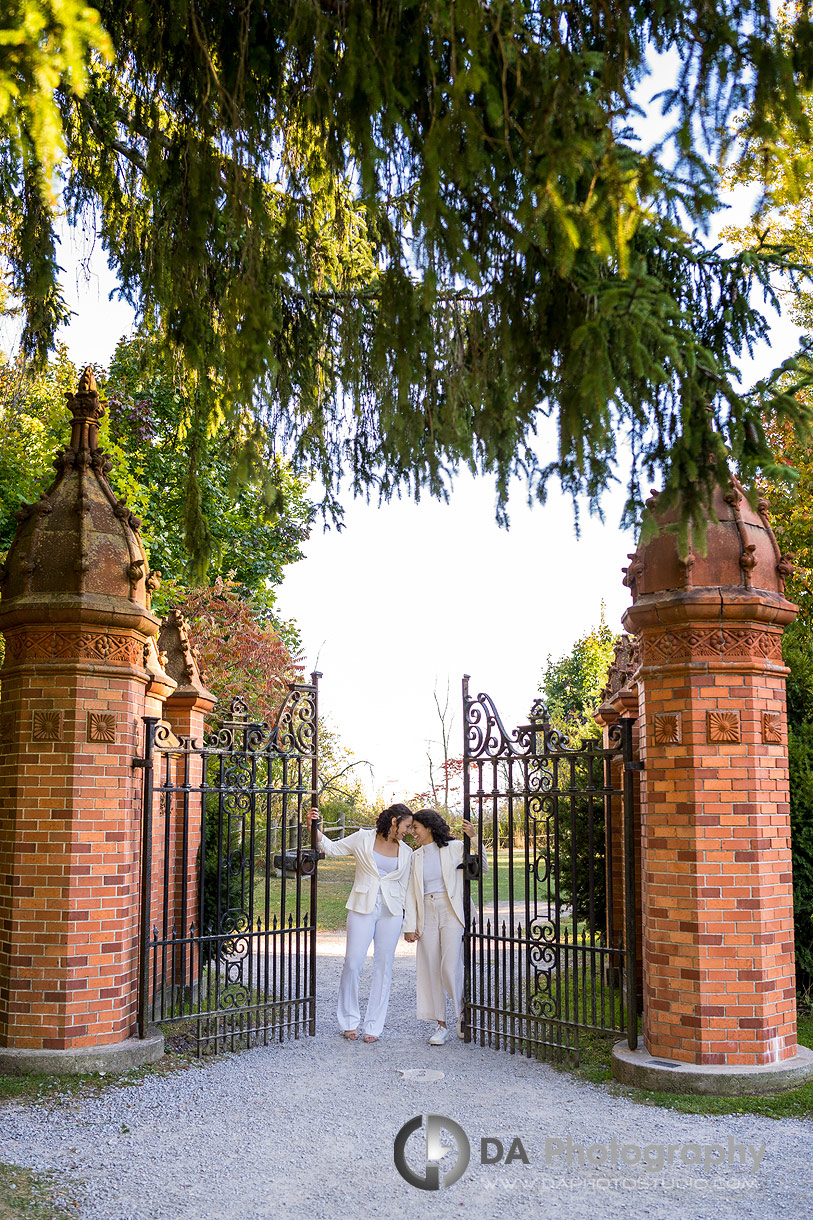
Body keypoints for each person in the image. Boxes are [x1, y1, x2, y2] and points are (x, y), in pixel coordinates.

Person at [305, 803, 413, 1042]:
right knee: (353, 963)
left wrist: (410, 923)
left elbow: (407, 889)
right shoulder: (363, 838)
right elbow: (330, 848)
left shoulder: (407, 852)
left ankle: (373, 1025)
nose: (408, 830)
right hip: (362, 906)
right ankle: (349, 1020)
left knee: (383, 968)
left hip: (392, 912)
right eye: (406, 826)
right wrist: (313, 826)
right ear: (394, 821)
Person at [403, 808, 486, 1045]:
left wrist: (475, 838)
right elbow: (410, 892)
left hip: (451, 910)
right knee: (431, 968)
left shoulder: (456, 847)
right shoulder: (414, 857)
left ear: (428, 827)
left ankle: (461, 1012)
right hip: (426, 913)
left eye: (416, 828)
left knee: (449, 967)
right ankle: (440, 1024)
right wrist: (410, 924)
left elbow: (482, 867)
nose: (413, 833)